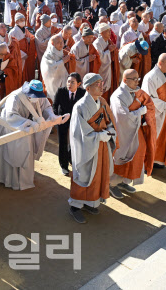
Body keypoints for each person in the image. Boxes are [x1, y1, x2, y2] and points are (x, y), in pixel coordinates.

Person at [0, 80, 67, 190]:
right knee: (13, 153)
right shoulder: (15, 98)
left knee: (27, 152)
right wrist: (29, 123)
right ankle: (9, 181)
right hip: (14, 128)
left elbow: (46, 107)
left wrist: (52, 116)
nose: (36, 99)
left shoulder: (38, 96)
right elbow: (11, 116)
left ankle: (25, 181)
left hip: (28, 130)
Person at [68, 73, 115, 223]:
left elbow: (108, 119)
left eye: (102, 82)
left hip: (100, 146)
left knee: (98, 174)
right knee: (84, 174)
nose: (102, 86)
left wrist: (110, 131)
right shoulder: (80, 106)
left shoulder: (101, 102)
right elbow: (78, 133)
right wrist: (98, 136)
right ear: (88, 88)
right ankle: (75, 206)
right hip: (86, 147)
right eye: (97, 84)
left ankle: (91, 202)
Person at [108, 69, 156, 199]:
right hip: (122, 133)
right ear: (125, 80)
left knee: (138, 153)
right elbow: (123, 117)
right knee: (120, 157)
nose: (137, 82)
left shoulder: (136, 92)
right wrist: (141, 111)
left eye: (137, 79)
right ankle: (112, 184)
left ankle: (124, 181)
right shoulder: (118, 96)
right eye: (134, 79)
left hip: (135, 130)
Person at [142, 54, 166, 169]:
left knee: (164, 139)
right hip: (157, 113)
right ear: (160, 63)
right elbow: (148, 98)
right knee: (153, 138)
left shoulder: (165, 75)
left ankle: (158, 161)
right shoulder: (150, 77)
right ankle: (148, 163)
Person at [53, 72, 85, 176]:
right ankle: (64, 166)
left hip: (76, 121)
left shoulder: (83, 93)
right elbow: (55, 105)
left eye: (72, 82)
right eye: (68, 82)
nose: (69, 84)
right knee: (63, 142)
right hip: (62, 120)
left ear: (79, 84)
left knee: (75, 141)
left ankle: (71, 159)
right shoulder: (61, 91)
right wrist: (57, 117)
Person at [41, 35, 72, 102]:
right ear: (53, 44)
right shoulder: (48, 55)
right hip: (52, 82)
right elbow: (49, 68)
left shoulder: (62, 51)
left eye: (62, 42)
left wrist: (70, 57)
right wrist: (63, 61)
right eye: (58, 42)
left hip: (63, 80)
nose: (61, 44)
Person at [93, 23, 119, 98]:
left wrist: (113, 51)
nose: (110, 33)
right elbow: (99, 58)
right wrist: (109, 51)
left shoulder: (108, 41)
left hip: (108, 68)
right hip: (102, 70)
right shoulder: (97, 43)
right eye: (107, 31)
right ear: (101, 33)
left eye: (109, 31)